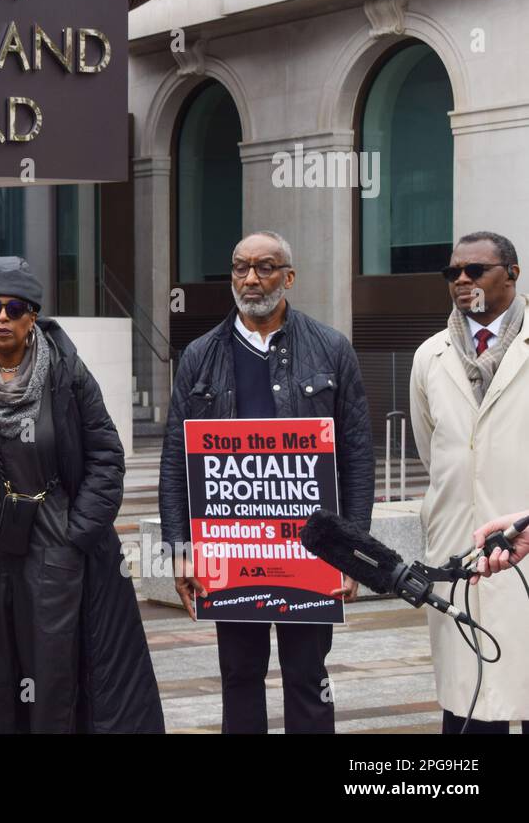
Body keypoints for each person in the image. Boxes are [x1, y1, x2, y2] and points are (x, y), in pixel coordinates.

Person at [158, 231, 374, 733]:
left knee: (307, 677)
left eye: (265, 267)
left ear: (289, 277)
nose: (251, 278)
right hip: (230, 554)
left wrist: (353, 552)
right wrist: (179, 550)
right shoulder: (198, 356)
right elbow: (175, 463)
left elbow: (358, 459)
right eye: (240, 267)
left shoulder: (332, 350)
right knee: (239, 676)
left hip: (311, 554)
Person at [0, 256, 163, 733]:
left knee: (52, 667)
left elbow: (107, 454)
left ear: (33, 314)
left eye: (15, 307)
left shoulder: (67, 375)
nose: (2, 317)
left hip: (52, 540)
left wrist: (76, 532)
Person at [410, 230, 529, 733]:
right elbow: (432, 448)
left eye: (475, 270)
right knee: (469, 700)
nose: (462, 279)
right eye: (452, 272)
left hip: (522, 543)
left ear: (513, 275)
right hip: (459, 547)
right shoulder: (430, 356)